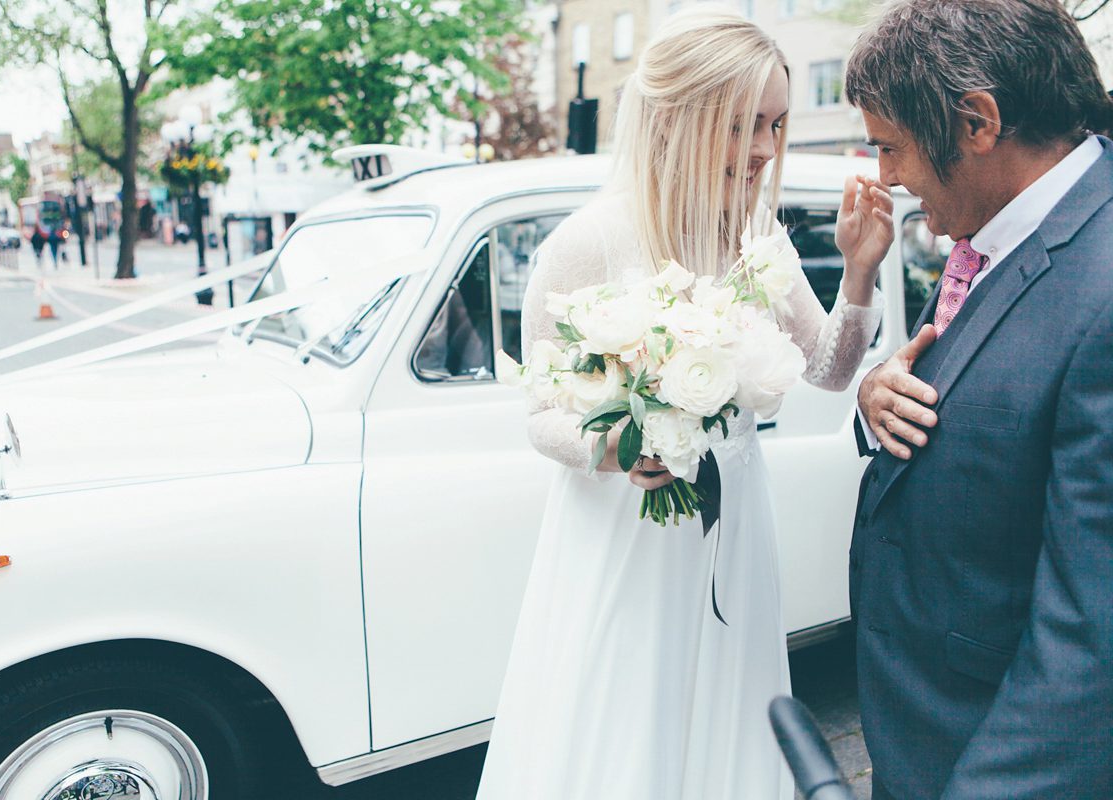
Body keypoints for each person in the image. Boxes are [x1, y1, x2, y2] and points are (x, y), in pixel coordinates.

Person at [475, 8, 893, 800]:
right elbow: (541, 416)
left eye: (774, 123)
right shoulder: (587, 243)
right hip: (625, 534)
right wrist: (618, 447)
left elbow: (829, 369)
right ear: (675, 117)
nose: (767, 149)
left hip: (733, 520)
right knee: (626, 716)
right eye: (742, 126)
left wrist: (860, 272)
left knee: (730, 708)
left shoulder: (755, 234)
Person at [845, 1, 1113, 798]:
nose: (886, 179)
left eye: (892, 148)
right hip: (927, 728)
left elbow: (1091, 630)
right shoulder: (996, 230)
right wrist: (873, 394)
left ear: (977, 122)